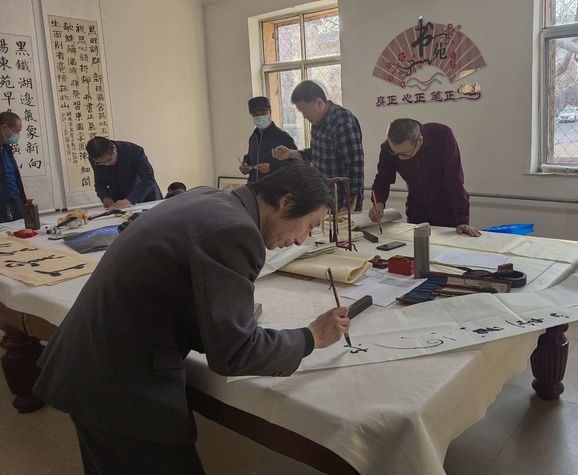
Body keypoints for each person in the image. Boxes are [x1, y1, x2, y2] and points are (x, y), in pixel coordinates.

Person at [33, 162, 350, 474]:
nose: (302, 240)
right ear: (287, 202)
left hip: (90, 360)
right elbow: (235, 354)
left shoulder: (206, 197)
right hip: (119, 384)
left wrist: (231, 323)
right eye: (310, 226)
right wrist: (311, 337)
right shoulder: (237, 230)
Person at [369, 118, 481, 237]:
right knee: (417, 246)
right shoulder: (388, 148)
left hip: (448, 211)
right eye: (395, 153)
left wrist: (462, 220)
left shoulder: (442, 136)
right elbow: (382, 179)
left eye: (405, 154)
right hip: (417, 212)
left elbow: (454, 181)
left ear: (420, 141)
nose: (400, 158)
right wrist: (379, 202)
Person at [272, 81, 364, 210]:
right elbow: (317, 153)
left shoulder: (342, 121)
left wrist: (349, 202)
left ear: (319, 102)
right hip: (324, 197)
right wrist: (291, 154)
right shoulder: (317, 122)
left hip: (342, 200)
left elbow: (355, 164)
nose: (304, 116)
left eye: (304, 110)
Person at [86, 136, 162, 210]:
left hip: (145, 197)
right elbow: (99, 181)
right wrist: (105, 196)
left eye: (109, 160)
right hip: (119, 201)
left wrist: (129, 200)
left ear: (114, 148)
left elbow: (148, 179)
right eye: (101, 163)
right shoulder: (94, 159)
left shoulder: (134, 151)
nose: (106, 164)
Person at [239, 96, 297, 183]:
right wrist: (245, 164)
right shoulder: (253, 137)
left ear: (270, 113)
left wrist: (271, 167)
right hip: (255, 187)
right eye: (256, 115)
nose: (260, 117)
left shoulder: (283, 137)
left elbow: (296, 165)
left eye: (263, 113)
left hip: (276, 188)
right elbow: (250, 157)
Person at [0, 112, 26, 222]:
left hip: (15, 202)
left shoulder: (7, 149)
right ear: (4, 128)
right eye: (16, 131)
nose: (17, 135)